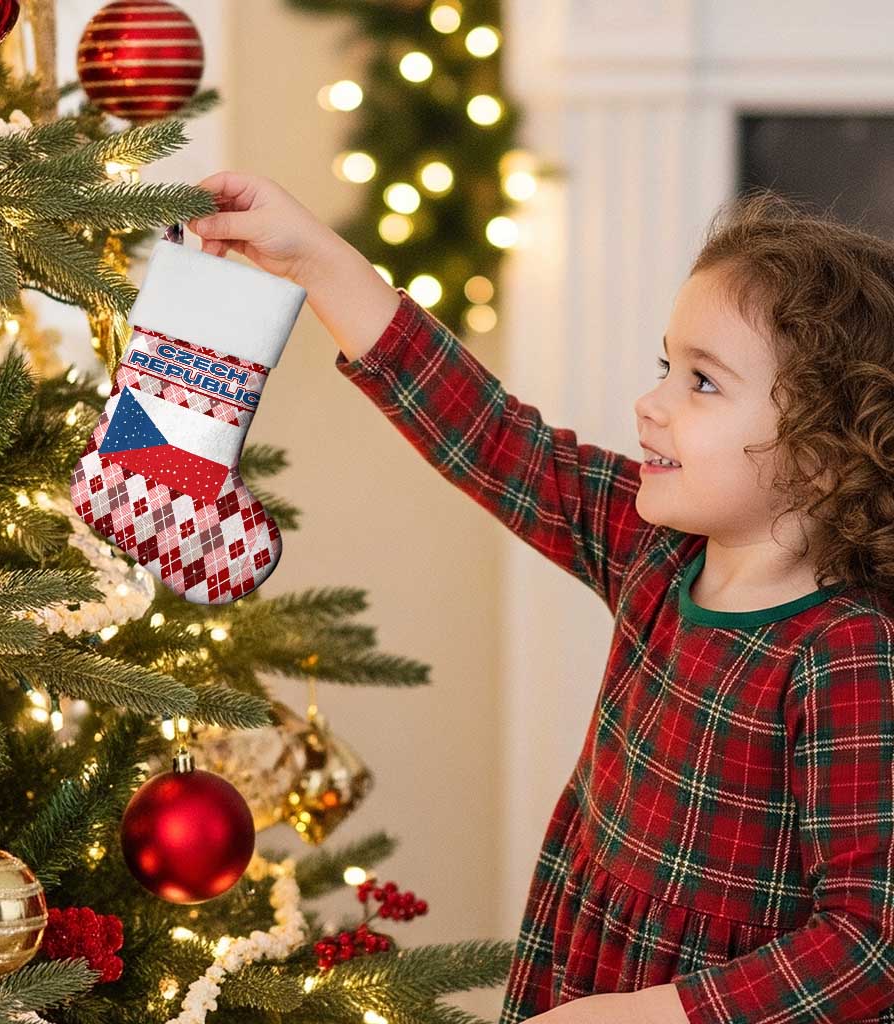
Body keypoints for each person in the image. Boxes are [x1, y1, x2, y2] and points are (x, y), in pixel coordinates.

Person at [187, 173, 894, 1024]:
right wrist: (322, 262)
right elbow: (491, 435)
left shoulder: (848, 653)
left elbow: (867, 942)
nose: (652, 403)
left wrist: (648, 1016)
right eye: (667, 367)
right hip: (585, 964)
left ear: (825, 454)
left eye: (702, 383)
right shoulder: (656, 552)